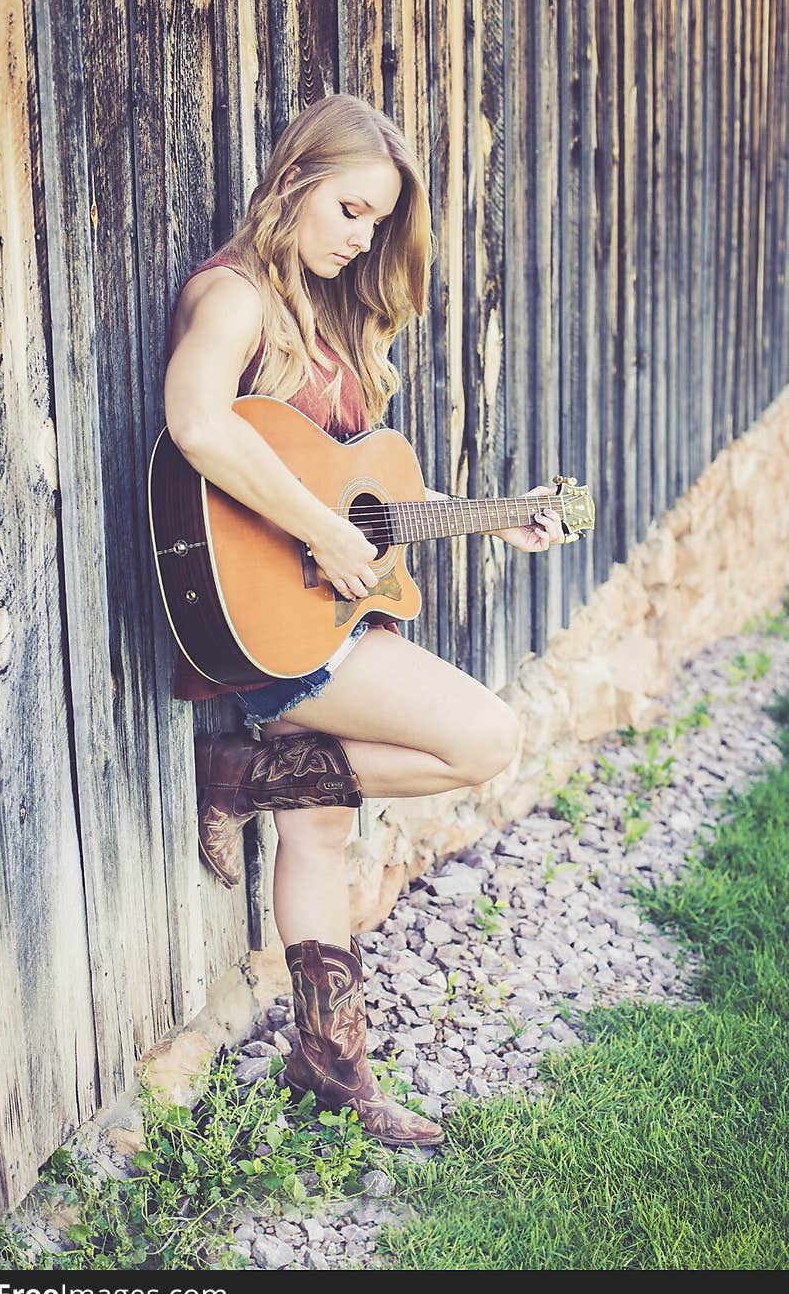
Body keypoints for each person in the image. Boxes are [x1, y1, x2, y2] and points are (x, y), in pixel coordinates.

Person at [163, 94, 566, 1149]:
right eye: (349, 209)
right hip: (261, 627)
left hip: (316, 621)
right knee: (488, 737)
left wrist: (476, 523)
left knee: (323, 830)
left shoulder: (330, 318)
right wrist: (325, 533)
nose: (358, 238)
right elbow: (198, 421)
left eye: (377, 224)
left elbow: (358, 502)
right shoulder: (236, 295)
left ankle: (329, 1066)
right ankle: (236, 776)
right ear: (294, 181)